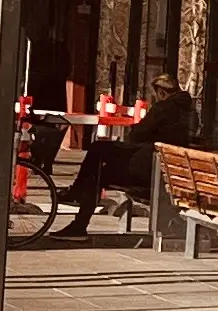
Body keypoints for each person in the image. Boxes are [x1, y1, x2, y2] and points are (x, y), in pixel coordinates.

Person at [46, 84, 200, 239]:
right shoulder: (190, 113)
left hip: (151, 171)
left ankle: (78, 216)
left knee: (97, 170)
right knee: (98, 152)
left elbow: (137, 134)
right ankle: (77, 206)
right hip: (168, 170)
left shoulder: (163, 108)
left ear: (161, 92)